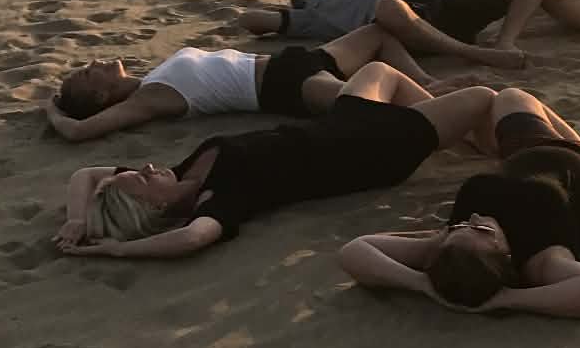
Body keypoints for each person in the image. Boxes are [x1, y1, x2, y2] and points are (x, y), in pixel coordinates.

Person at [339, 88, 580, 320]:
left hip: (539, 150)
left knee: (509, 96)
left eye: (460, 227)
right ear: (506, 258)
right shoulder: (544, 261)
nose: (471, 219)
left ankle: (579, 141)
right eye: (481, 231)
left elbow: (355, 251)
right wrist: (506, 300)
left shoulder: (448, 247)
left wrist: (424, 286)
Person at [55, 68, 499, 263]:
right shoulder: (222, 199)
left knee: (379, 70)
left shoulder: (185, 168)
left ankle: (455, 133)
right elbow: (191, 239)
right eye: (143, 180)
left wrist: (78, 219)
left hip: (343, 122)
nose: (149, 166)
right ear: (153, 210)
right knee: (485, 99)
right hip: (375, 147)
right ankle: (473, 138)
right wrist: (116, 249)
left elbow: (85, 173)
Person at [45, 23, 442, 144]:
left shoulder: (151, 78)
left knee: (378, 33)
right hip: (283, 88)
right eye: (86, 72)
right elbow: (78, 130)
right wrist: (52, 107)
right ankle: (444, 109)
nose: (93, 62)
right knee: (370, 105)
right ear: (100, 94)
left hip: (292, 62)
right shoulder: (150, 99)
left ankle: (428, 84)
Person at [239, 0, 551, 69]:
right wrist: (286, 16)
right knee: (388, 6)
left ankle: (504, 42)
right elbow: (250, 20)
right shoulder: (313, 13)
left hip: (439, 3)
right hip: (405, 25)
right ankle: (477, 54)